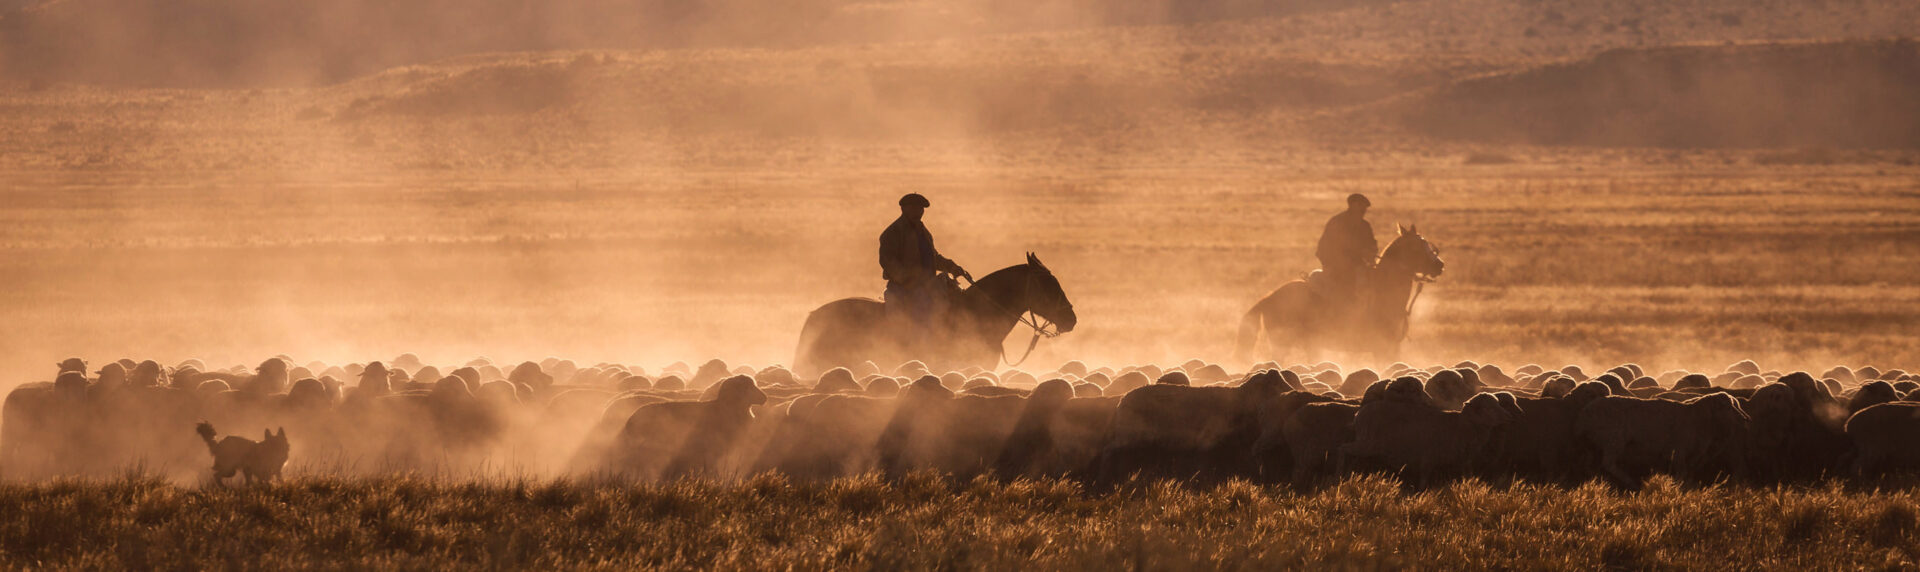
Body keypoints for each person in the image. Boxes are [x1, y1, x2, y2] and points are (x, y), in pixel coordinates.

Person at [879, 193, 970, 336]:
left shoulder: (922, 232)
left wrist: (953, 267)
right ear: (904, 209)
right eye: (914, 208)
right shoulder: (893, 233)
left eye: (921, 208)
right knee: (924, 312)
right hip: (904, 288)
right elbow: (887, 260)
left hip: (925, 286)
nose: (919, 212)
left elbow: (934, 257)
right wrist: (907, 278)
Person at [1314, 193, 1378, 313]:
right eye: (1362, 207)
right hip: (1336, 266)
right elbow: (1325, 247)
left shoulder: (1365, 226)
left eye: (1364, 208)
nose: (1364, 211)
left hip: (1358, 267)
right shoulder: (1337, 223)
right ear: (1353, 205)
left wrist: (1371, 253)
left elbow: (1372, 244)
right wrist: (1333, 264)